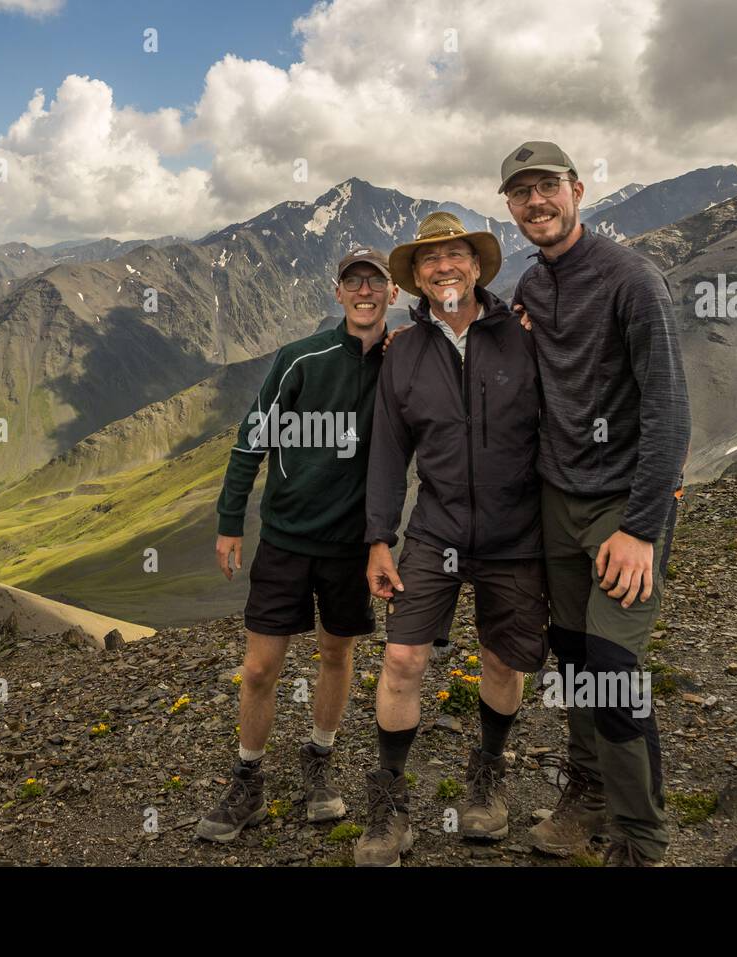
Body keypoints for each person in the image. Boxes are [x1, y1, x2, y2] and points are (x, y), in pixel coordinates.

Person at [501, 141, 690, 866]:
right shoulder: (530, 286)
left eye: (547, 186)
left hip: (624, 506)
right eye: (521, 193)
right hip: (559, 499)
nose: (536, 202)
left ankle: (640, 840)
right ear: (511, 208)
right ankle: (585, 797)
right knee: (574, 656)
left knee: (612, 665)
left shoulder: (632, 279)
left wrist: (642, 528)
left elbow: (670, 409)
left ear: (577, 190)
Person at [355, 212, 546, 866]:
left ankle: (487, 776)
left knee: (502, 660)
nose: (443, 268)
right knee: (403, 659)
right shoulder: (403, 352)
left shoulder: (523, 336)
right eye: (429, 260)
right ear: (417, 275)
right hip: (434, 529)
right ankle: (389, 805)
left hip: (515, 528)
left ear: (477, 264)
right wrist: (379, 538)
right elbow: (387, 451)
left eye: (455, 254)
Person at [197, 248, 397, 842]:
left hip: (351, 546)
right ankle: (248, 777)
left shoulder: (404, 360)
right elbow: (250, 439)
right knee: (260, 668)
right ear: (338, 293)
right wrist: (230, 520)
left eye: (376, 282)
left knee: (336, 654)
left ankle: (320, 759)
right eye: (353, 282)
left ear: (394, 293)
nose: (364, 291)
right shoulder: (300, 358)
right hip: (284, 540)